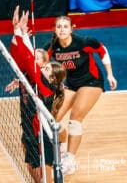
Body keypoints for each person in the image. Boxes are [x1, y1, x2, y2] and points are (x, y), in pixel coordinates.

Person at [44, 15, 118, 175]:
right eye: (59, 27)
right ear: (54, 29)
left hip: (90, 82)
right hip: (69, 84)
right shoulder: (52, 45)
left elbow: (102, 50)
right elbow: (40, 61)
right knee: (52, 119)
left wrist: (110, 74)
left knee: (74, 119)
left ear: (72, 29)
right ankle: (63, 145)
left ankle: (70, 160)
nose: (62, 30)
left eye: (65, 26)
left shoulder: (83, 42)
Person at [6, 6, 66, 183]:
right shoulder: (30, 79)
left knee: (46, 180)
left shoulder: (46, 88)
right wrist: (17, 33)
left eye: (46, 68)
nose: (41, 68)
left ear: (53, 79)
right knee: (37, 179)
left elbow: (28, 59)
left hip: (41, 137)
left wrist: (20, 32)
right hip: (29, 133)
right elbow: (19, 58)